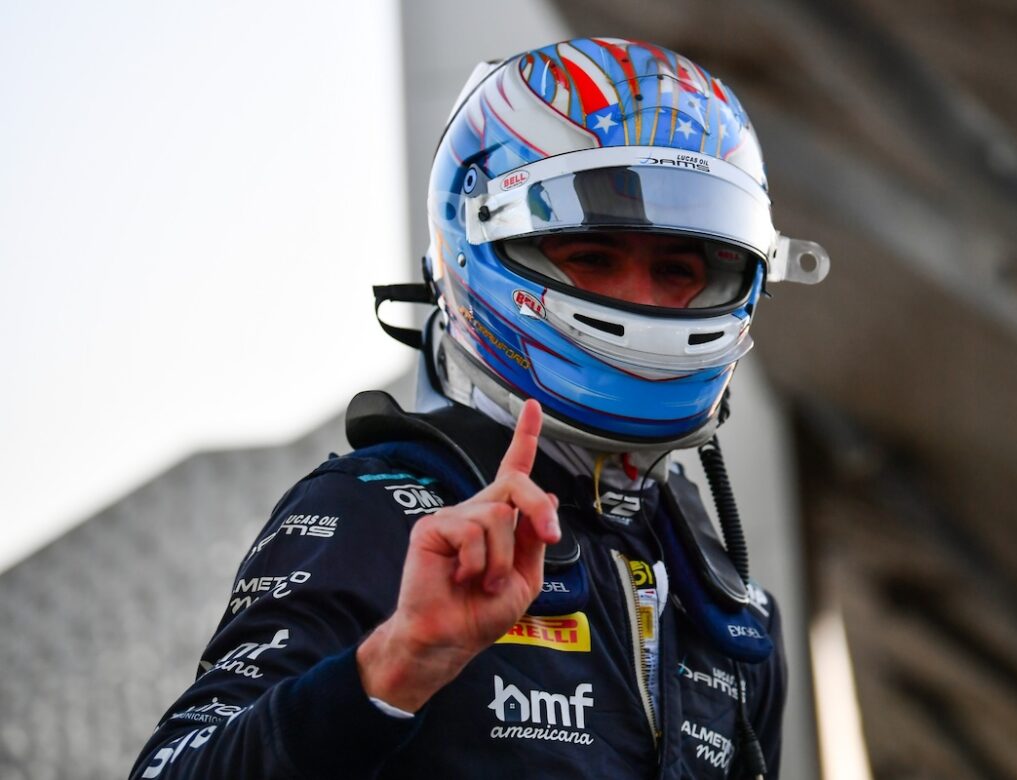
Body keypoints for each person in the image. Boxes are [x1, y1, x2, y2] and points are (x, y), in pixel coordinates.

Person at [131, 37, 828, 779]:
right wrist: (394, 667)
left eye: (678, 269)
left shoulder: (733, 609)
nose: (643, 301)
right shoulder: (377, 516)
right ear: (475, 242)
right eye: (593, 257)